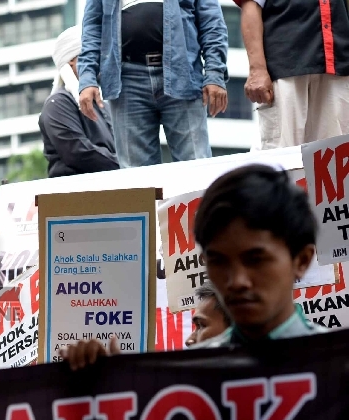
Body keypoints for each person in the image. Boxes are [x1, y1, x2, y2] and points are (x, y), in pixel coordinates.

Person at [62, 163, 325, 369]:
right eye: (218, 261)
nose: (236, 281)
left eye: (255, 260)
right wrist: (106, 388)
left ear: (301, 260)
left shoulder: (338, 368)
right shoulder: (184, 378)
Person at [77, 0, 229, 168]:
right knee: (135, 177)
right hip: (127, 80)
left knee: (195, 165)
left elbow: (212, 22)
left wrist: (215, 73)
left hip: (182, 74)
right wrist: (87, 77)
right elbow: (92, 27)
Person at [238, 0, 349, 150]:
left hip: (338, 63)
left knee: (334, 154)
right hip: (285, 63)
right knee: (279, 151)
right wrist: (257, 69)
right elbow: (251, 5)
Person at [39, 25, 120, 177]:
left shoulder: (105, 106)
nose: (99, 61)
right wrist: (125, 164)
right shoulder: (58, 103)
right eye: (91, 55)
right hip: (75, 196)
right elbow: (78, 153)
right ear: (71, 61)